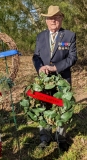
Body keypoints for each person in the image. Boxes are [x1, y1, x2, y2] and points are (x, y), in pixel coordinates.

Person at [32, 5, 77, 151]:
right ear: (46, 20)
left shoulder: (69, 35)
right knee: (44, 107)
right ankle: (45, 137)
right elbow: (36, 56)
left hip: (62, 79)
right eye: (51, 18)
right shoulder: (40, 36)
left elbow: (72, 58)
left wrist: (55, 68)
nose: (53, 20)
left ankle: (61, 138)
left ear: (61, 19)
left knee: (62, 108)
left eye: (57, 17)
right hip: (44, 81)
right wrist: (40, 68)